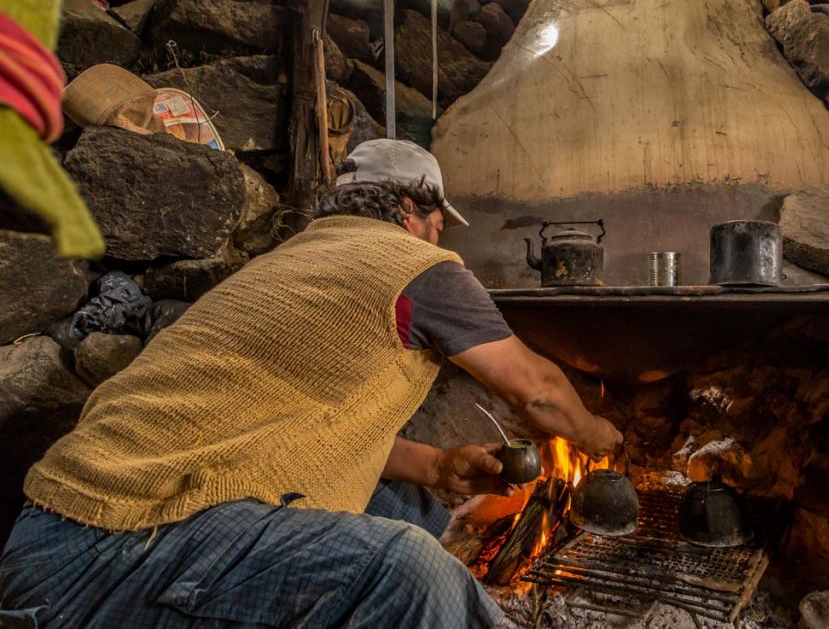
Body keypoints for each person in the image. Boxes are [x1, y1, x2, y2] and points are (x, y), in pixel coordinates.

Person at [0, 139, 624, 628]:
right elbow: (537, 391)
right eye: (439, 221)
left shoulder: (284, 264)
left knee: (398, 505)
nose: (441, 236)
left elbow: (295, 423)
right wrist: (601, 437)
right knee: (405, 573)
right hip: (111, 549)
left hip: (53, 530)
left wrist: (436, 467)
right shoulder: (416, 266)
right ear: (411, 209)